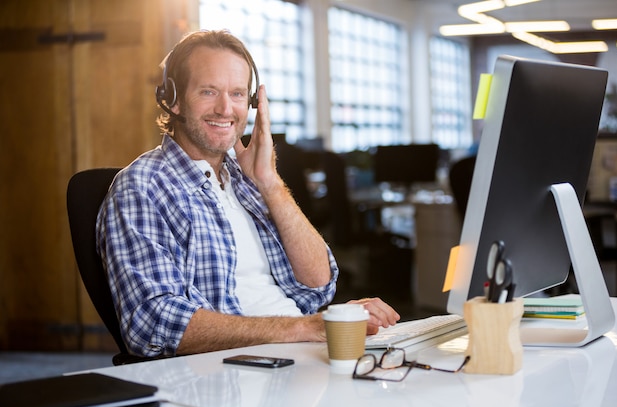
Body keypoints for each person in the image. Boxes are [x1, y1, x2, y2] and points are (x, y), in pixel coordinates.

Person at [96, 29, 399, 358]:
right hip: (234, 370)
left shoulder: (247, 178)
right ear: (173, 98)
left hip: (297, 353)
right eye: (209, 91)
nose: (226, 109)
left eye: (238, 94)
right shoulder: (143, 186)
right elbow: (152, 323)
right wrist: (301, 328)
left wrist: (269, 181)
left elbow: (319, 286)